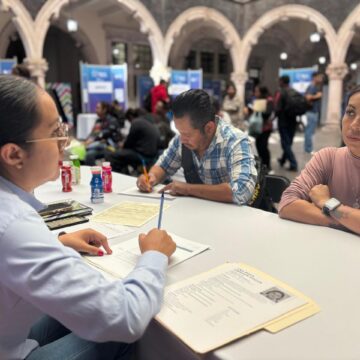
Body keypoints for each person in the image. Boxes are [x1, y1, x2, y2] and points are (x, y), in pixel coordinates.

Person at [0, 75, 176, 359]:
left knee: (70, 312)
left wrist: (59, 242)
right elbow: (124, 317)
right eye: (55, 131)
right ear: (14, 155)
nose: (64, 142)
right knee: (123, 336)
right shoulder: (13, 224)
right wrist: (154, 256)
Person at [136, 89, 257, 205]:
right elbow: (163, 166)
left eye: (187, 134)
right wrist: (151, 177)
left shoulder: (235, 141)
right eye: (179, 132)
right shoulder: (182, 140)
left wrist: (188, 189)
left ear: (209, 128)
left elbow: (242, 191)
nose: (182, 139)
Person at [278, 86, 360, 236]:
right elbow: (287, 203)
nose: (354, 125)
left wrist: (327, 203)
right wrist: (348, 223)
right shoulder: (328, 157)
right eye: (350, 112)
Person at [106, 108, 161, 174]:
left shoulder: (136, 122)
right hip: (152, 155)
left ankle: (121, 177)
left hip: (143, 156)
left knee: (113, 155)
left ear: (130, 117)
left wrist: (122, 145)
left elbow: (128, 143)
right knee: (124, 154)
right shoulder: (149, 123)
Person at [274, 75, 298, 171]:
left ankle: (293, 163)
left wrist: (273, 117)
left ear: (282, 82)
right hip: (293, 120)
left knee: (285, 143)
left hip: (283, 121)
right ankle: (283, 160)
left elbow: (277, 108)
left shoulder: (280, 92)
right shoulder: (293, 91)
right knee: (288, 142)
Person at [251, 86, 274, 171]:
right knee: (258, 146)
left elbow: (267, 114)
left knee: (263, 146)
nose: (255, 94)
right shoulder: (258, 100)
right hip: (258, 127)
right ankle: (261, 165)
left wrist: (258, 109)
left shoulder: (269, 100)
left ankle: (267, 166)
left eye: (257, 91)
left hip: (266, 128)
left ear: (262, 92)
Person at [304, 72, 323, 153]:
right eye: (319, 77)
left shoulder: (315, 87)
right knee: (309, 131)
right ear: (315, 77)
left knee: (310, 131)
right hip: (311, 112)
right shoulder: (312, 87)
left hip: (313, 112)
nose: (321, 79)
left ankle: (307, 148)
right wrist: (318, 95)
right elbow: (307, 97)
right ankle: (308, 149)